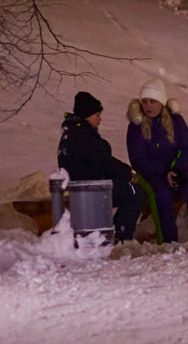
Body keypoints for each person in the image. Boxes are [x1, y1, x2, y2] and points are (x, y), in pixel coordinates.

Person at [126, 78, 188, 244]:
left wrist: (178, 170)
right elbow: (138, 160)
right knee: (162, 194)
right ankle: (168, 241)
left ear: (161, 102)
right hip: (151, 173)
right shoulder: (136, 126)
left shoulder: (176, 121)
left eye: (153, 101)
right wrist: (163, 173)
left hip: (177, 170)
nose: (148, 106)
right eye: (145, 101)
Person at [57, 91, 144, 243]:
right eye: (97, 115)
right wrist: (128, 173)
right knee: (134, 193)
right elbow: (104, 162)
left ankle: (117, 233)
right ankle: (121, 237)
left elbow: (98, 161)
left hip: (82, 188)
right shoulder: (84, 135)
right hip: (93, 189)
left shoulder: (72, 132)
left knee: (126, 190)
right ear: (87, 115)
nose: (100, 119)